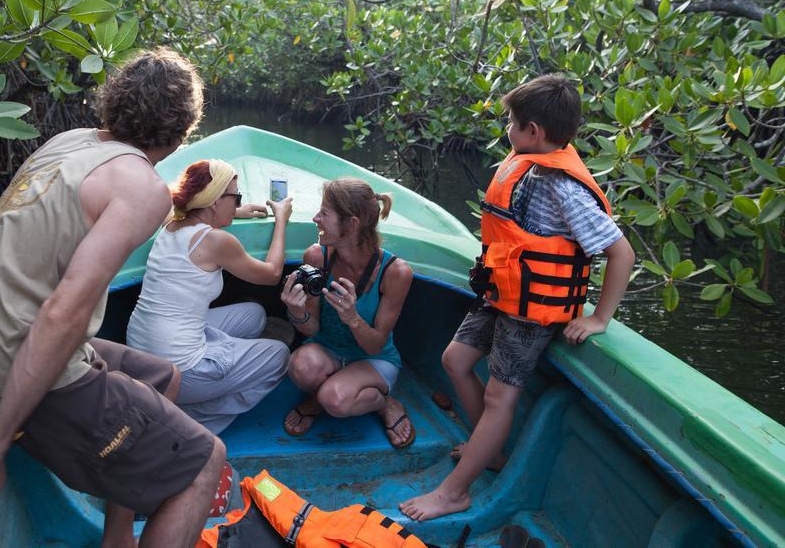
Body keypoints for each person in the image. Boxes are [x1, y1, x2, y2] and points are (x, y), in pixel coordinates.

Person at [0, 48, 228, 548]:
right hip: (13, 372)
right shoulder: (143, 190)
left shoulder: (69, 143)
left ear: (113, 102)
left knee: (162, 375)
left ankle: (117, 537)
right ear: (183, 128)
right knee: (203, 461)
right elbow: (64, 314)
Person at [399, 74, 635, 521]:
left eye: (511, 122)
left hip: (532, 315)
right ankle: (487, 451)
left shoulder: (564, 187)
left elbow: (621, 252)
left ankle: (454, 493)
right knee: (454, 360)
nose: (507, 129)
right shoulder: (525, 164)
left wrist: (600, 318)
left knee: (499, 399)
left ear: (534, 132)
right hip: (501, 295)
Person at [126, 159, 292, 434]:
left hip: (143, 356)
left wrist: (237, 212)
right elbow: (273, 273)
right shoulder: (217, 241)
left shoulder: (171, 224)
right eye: (235, 197)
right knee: (279, 355)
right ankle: (192, 420)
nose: (239, 203)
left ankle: (222, 367)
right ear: (214, 201)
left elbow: (198, 218)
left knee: (254, 315)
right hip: (180, 373)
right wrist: (282, 219)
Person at [280, 178, 416, 449]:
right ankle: (322, 392)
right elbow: (312, 330)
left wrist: (353, 318)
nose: (315, 219)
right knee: (299, 366)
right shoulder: (317, 257)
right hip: (328, 348)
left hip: (374, 359)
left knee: (336, 400)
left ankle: (383, 403)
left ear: (352, 224)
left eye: (325, 214)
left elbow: (376, 344)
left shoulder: (396, 272)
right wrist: (296, 312)